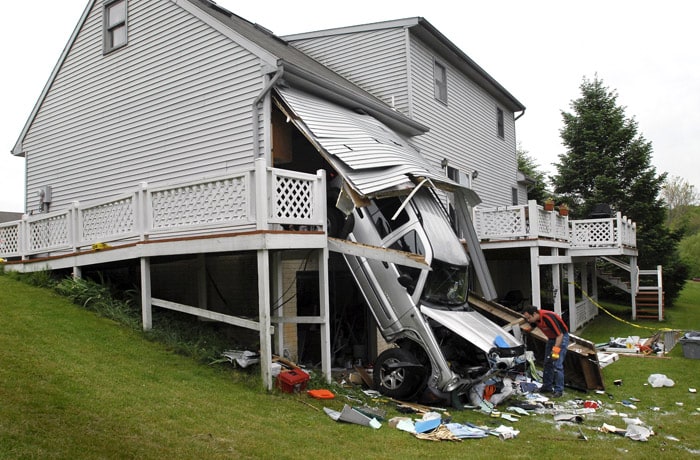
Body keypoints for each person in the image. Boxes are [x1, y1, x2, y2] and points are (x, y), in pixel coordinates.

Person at [521, 305, 569, 397]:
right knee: (547, 363)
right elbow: (533, 324)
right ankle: (547, 387)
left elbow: (560, 335)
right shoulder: (535, 319)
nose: (528, 320)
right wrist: (528, 330)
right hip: (551, 339)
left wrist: (555, 350)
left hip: (561, 339)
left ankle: (559, 390)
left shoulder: (548, 317)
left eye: (529, 318)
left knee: (557, 365)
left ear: (535, 314)